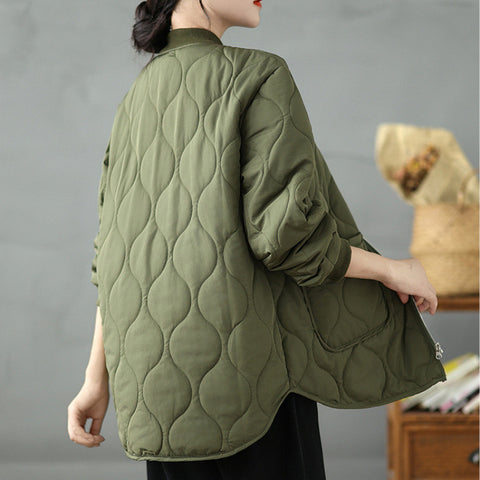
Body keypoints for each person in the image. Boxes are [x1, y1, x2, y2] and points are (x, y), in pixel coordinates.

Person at [67, 1, 440, 479]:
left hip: (151, 389)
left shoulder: (133, 100)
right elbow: (286, 236)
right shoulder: (258, 74)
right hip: (250, 374)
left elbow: (113, 255)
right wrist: (393, 270)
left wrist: (95, 379)